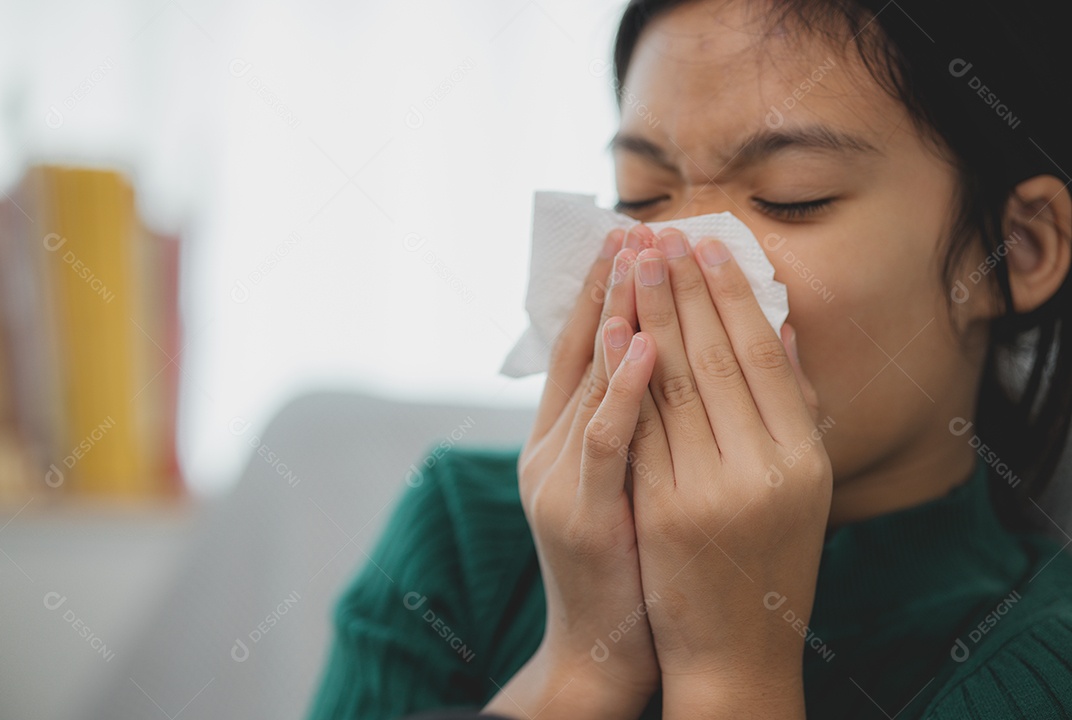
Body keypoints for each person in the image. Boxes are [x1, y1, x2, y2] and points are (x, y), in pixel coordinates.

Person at [304, 0, 1072, 718]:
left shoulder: (1043, 655)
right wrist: (581, 666)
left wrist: (731, 673)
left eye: (789, 196)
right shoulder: (460, 537)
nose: (670, 257)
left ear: (1020, 249)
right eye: (640, 196)